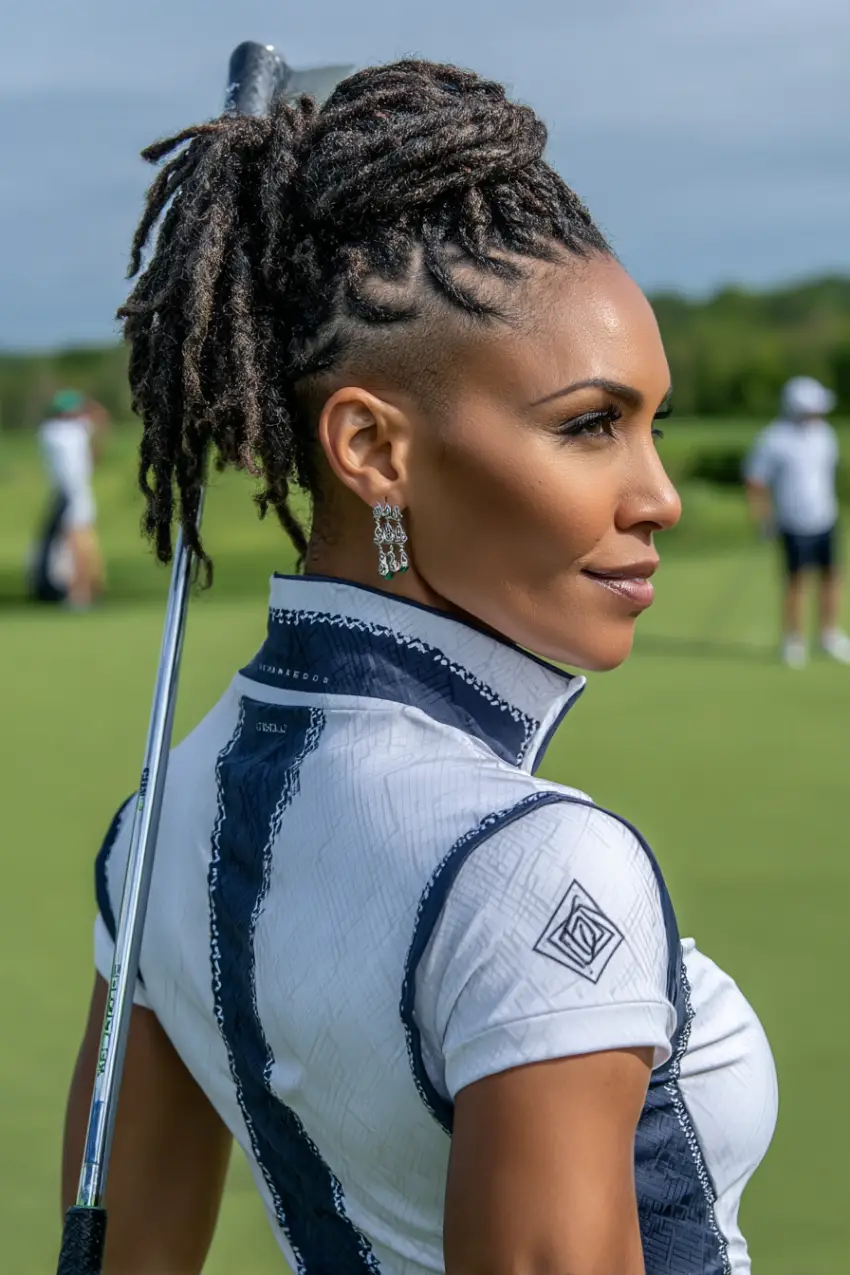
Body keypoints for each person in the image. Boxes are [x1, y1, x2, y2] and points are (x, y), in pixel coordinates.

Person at [62, 62, 777, 1275]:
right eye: (589, 424)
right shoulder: (539, 868)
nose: (656, 497)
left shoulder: (157, 826)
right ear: (371, 448)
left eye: (653, 425)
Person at [745, 375, 850, 667]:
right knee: (797, 581)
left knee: (832, 576)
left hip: (826, 517)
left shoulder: (825, 434)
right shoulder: (774, 438)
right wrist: (763, 519)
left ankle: (829, 635)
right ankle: (794, 640)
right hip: (793, 522)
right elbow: (756, 481)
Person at [32, 389, 108, 608]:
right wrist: (90, 406)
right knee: (77, 544)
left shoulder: (59, 431)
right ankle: (80, 593)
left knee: (80, 543)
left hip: (75, 493)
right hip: (69, 494)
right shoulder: (57, 432)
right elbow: (99, 420)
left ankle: (83, 593)